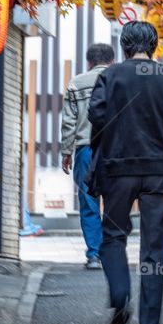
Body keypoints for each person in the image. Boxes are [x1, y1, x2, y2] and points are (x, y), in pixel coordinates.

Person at [88, 21, 163, 324]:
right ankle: (149, 321)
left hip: (118, 168)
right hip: (158, 169)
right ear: (153, 45)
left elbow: (96, 116)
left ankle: (120, 297)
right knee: (154, 244)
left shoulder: (110, 75)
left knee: (113, 236)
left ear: (125, 46)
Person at [61, 43, 115, 270]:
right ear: (111, 61)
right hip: (115, 149)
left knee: (89, 202)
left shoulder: (77, 83)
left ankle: (94, 254)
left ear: (89, 62)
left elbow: (69, 121)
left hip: (85, 149)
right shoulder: (119, 81)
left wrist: (66, 151)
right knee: (115, 202)